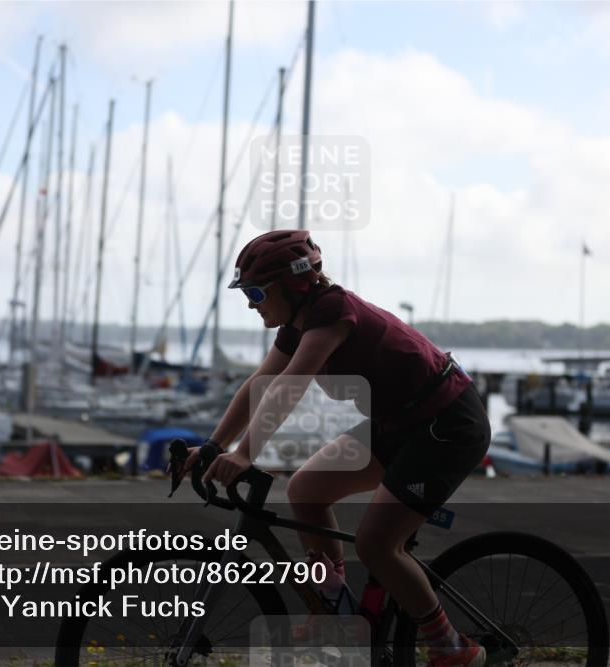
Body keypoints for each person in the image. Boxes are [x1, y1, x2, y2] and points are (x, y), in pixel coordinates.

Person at [181, 229, 491, 667]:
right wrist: (214, 446)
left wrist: (246, 453)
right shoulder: (298, 323)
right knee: (305, 490)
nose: (251, 304)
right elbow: (258, 384)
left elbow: (289, 386)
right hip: (401, 422)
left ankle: (452, 646)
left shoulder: (332, 312)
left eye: (255, 293)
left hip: (447, 423)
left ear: (294, 285)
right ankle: (334, 607)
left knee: (377, 544)